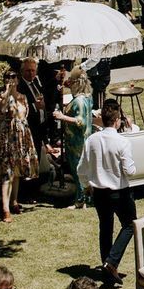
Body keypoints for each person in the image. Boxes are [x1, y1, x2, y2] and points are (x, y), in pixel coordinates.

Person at [77, 100, 137, 286]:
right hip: (120, 192)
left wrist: (86, 184)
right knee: (130, 224)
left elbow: (81, 168)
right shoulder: (122, 142)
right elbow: (130, 171)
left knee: (105, 228)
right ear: (117, 120)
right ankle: (111, 262)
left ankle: (108, 269)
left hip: (99, 193)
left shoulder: (92, 140)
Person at [0, 71, 39, 223]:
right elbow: (2, 111)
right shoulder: (0, 96)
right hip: (7, 138)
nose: (11, 79)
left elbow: (25, 117)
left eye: (14, 77)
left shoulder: (23, 97)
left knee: (16, 171)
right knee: (7, 172)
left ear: (17, 79)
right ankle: (5, 208)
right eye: (8, 77)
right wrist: (8, 92)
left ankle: (14, 201)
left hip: (22, 137)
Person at [53, 67, 93, 209]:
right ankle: (86, 198)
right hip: (83, 140)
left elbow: (80, 122)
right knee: (83, 171)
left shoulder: (78, 102)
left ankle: (81, 201)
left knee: (78, 172)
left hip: (77, 142)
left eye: (71, 81)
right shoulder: (87, 97)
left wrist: (62, 116)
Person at [17, 57, 48, 159]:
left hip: (40, 127)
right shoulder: (19, 87)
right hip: (29, 129)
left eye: (33, 70)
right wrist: (35, 106)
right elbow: (19, 106)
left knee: (37, 157)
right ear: (22, 72)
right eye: (28, 70)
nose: (31, 73)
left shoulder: (36, 83)